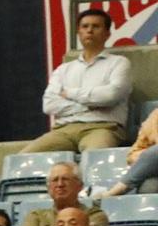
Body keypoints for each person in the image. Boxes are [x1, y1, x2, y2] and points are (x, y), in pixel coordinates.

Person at [26, 8, 131, 154]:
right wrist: (91, 105)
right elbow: (49, 105)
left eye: (96, 26)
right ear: (78, 32)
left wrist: (70, 93)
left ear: (107, 33)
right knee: (24, 158)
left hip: (102, 127)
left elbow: (110, 96)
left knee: (95, 158)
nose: (89, 30)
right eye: (85, 26)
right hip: (63, 129)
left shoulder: (119, 63)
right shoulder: (63, 69)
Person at [13, 163, 110, 226]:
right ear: (48, 187)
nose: (60, 184)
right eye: (55, 180)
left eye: (65, 179)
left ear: (79, 186)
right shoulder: (36, 216)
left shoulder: (95, 215)